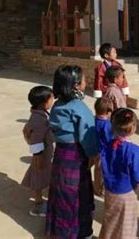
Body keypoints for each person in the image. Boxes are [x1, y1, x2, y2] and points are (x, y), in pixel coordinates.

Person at [45, 65, 98, 239]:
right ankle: (80, 233)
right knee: (77, 196)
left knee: (61, 193)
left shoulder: (57, 105)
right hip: (76, 157)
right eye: (83, 79)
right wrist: (93, 155)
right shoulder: (79, 108)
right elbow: (88, 137)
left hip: (61, 156)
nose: (86, 81)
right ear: (75, 85)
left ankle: (59, 230)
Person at [99, 108, 139, 239]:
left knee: (111, 220)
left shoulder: (107, 146)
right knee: (126, 225)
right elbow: (138, 176)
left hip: (110, 190)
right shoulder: (134, 151)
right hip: (126, 193)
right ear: (133, 128)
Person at [21, 85, 55, 217]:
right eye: (51, 98)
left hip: (44, 152)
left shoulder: (40, 113)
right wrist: (38, 155)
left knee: (38, 174)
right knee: (38, 176)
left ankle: (38, 199)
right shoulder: (38, 119)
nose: (53, 100)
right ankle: (38, 204)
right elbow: (36, 138)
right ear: (44, 102)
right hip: (41, 154)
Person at [93, 97, 114, 197]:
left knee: (97, 171)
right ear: (108, 112)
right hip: (105, 153)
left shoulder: (94, 120)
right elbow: (110, 140)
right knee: (104, 172)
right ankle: (101, 190)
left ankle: (97, 188)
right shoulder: (107, 125)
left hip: (95, 150)